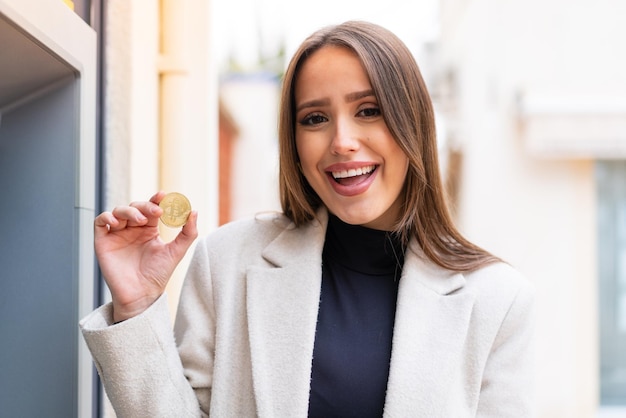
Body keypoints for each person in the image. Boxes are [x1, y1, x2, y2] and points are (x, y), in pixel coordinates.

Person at [81, 20, 535, 417]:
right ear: (294, 144)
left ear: (412, 122)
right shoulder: (227, 262)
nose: (341, 141)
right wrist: (138, 306)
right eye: (315, 118)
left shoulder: (497, 300)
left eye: (368, 110)